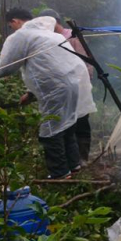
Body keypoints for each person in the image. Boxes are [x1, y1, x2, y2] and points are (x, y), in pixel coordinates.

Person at [0, 9, 83, 179]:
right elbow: (45, 67)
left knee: (50, 129)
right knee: (67, 123)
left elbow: (5, 67)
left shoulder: (22, 36)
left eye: (11, 26)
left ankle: (60, 173)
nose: (12, 30)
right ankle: (74, 166)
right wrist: (30, 93)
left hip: (55, 89)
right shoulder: (50, 35)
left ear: (15, 21)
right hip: (73, 83)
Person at [38, 9, 96, 165]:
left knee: (81, 121)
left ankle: (82, 157)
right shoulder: (48, 39)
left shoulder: (72, 36)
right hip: (61, 88)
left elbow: (86, 60)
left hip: (79, 84)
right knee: (66, 123)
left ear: (56, 21)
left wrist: (86, 80)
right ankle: (72, 159)